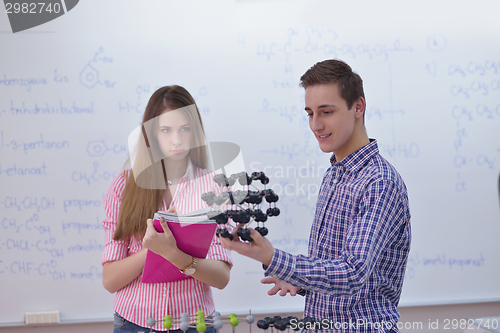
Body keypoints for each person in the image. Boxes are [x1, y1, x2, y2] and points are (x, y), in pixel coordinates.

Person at [221, 59, 411, 333]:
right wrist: (300, 281)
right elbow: (335, 269)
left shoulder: (379, 182)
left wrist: (276, 258)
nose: (315, 125)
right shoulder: (334, 174)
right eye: (309, 113)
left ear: (358, 107)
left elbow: (353, 272)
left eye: (326, 112)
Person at [101, 85, 232, 333]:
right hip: (134, 323)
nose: (177, 140)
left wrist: (174, 254)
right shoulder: (123, 186)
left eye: (185, 129)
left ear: (196, 131)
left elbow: (221, 277)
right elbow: (110, 280)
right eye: (166, 130)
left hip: (194, 322)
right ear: (152, 134)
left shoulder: (214, 187)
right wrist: (153, 248)